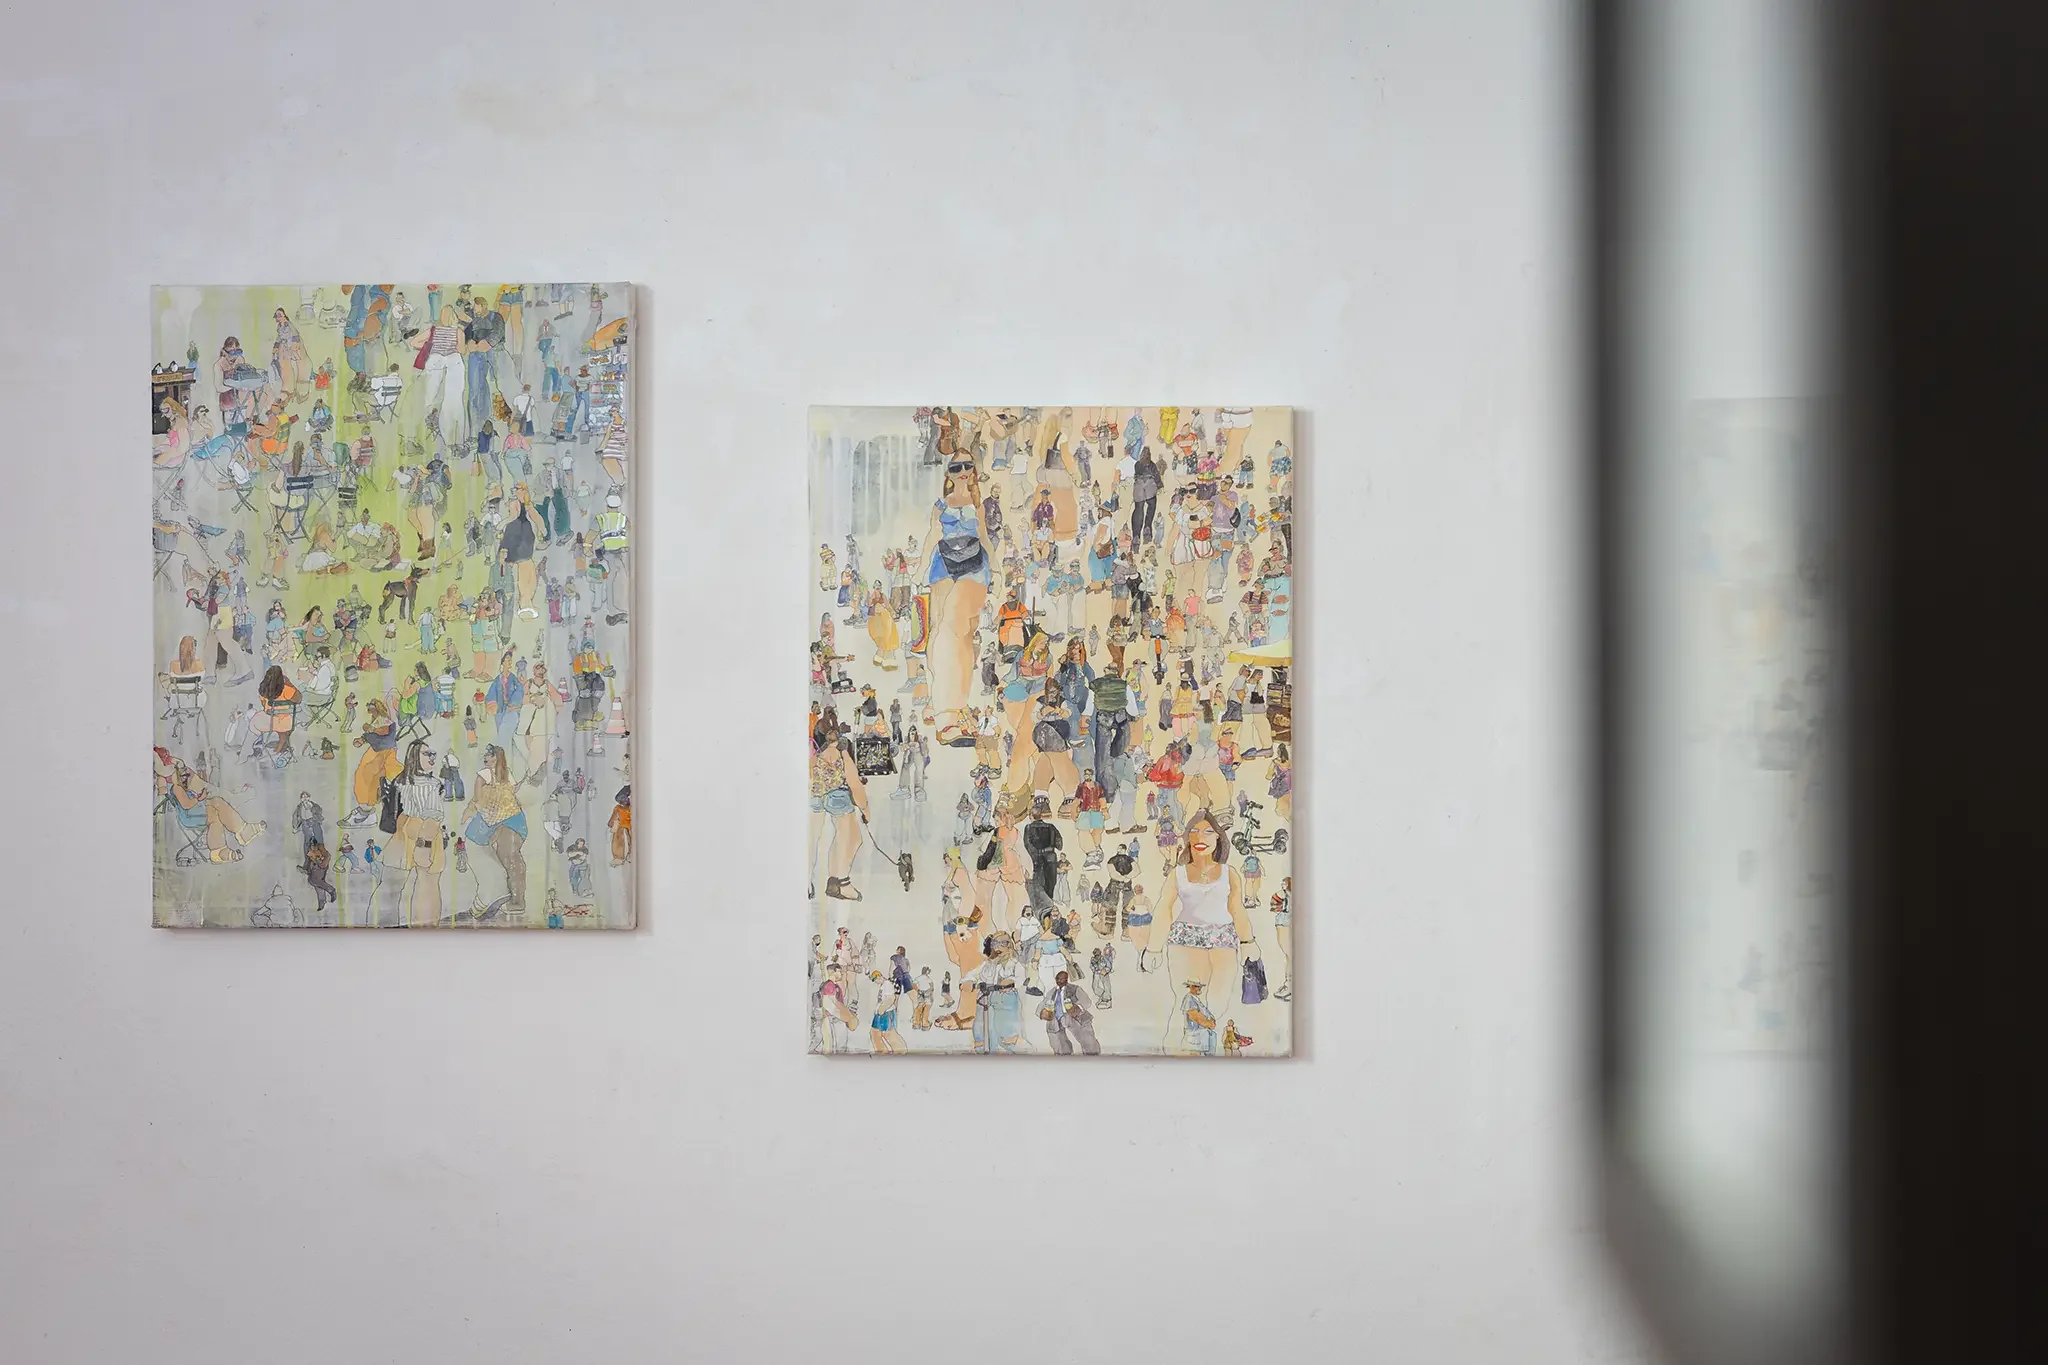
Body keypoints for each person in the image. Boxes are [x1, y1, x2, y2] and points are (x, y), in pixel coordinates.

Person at [922, 454, 993, 747]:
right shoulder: (941, 505)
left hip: (974, 566)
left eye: (967, 466)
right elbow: (932, 535)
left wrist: (998, 569)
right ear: (949, 474)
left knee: (955, 631)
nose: (963, 471)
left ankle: (948, 712)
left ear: (974, 470)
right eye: (956, 467)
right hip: (942, 565)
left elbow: (985, 537)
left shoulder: (978, 505)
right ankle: (940, 696)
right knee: (938, 631)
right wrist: (919, 567)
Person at [808, 709, 870, 902]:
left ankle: (827, 882)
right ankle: (842, 883)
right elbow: (854, 784)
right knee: (852, 838)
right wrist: (865, 809)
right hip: (837, 797)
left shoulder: (819, 754)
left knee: (825, 839)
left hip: (816, 797)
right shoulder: (842, 754)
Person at [459, 745, 527, 921]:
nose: (486, 758)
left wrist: (470, 811)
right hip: (501, 819)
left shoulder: (490, 775)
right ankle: (501, 897)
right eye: (486, 755)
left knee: (507, 856)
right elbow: (479, 798)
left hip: (503, 819)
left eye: (489, 755)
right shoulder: (496, 774)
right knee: (505, 858)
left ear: (497, 758)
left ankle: (509, 898)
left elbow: (478, 799)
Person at [391, 737, 448, 927]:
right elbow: (432, 819)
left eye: (433, 754)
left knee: (420, 883)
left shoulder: (402, 781)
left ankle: (420, 925)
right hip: (422, 834)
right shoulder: (431, 785)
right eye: (426, 754)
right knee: (428, 883)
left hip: (412, 833)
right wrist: (424, 845)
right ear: (414, 756)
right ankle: (425, 926)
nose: (432, 758)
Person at [1041, 970, 1100, 1056]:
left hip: (1075, 1017)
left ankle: (1093, 1055)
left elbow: (1086, 1001)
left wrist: (1077, 1008)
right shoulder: (1052, 992)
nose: (1059, 981)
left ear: (1066, 979)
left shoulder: (1075, 989)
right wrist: (1042, 1012)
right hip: (1057, 1018)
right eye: (1058, 979)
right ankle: (1063, 1055)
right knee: (1056, 1038)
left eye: (1062, 979)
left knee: (1087, 1040)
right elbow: (1044, 1003)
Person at [868, 972, 908, 1054]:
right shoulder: (884, 985)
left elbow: (891, 998)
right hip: (881, 1013)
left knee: (888, 1034)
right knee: (875, 1033)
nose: (876, 982)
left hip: (886, 1013)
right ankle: (883, 1052)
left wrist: (882, 1009)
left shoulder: (887, 984)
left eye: (875, 980)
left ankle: (900, 1051)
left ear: (879, 976)